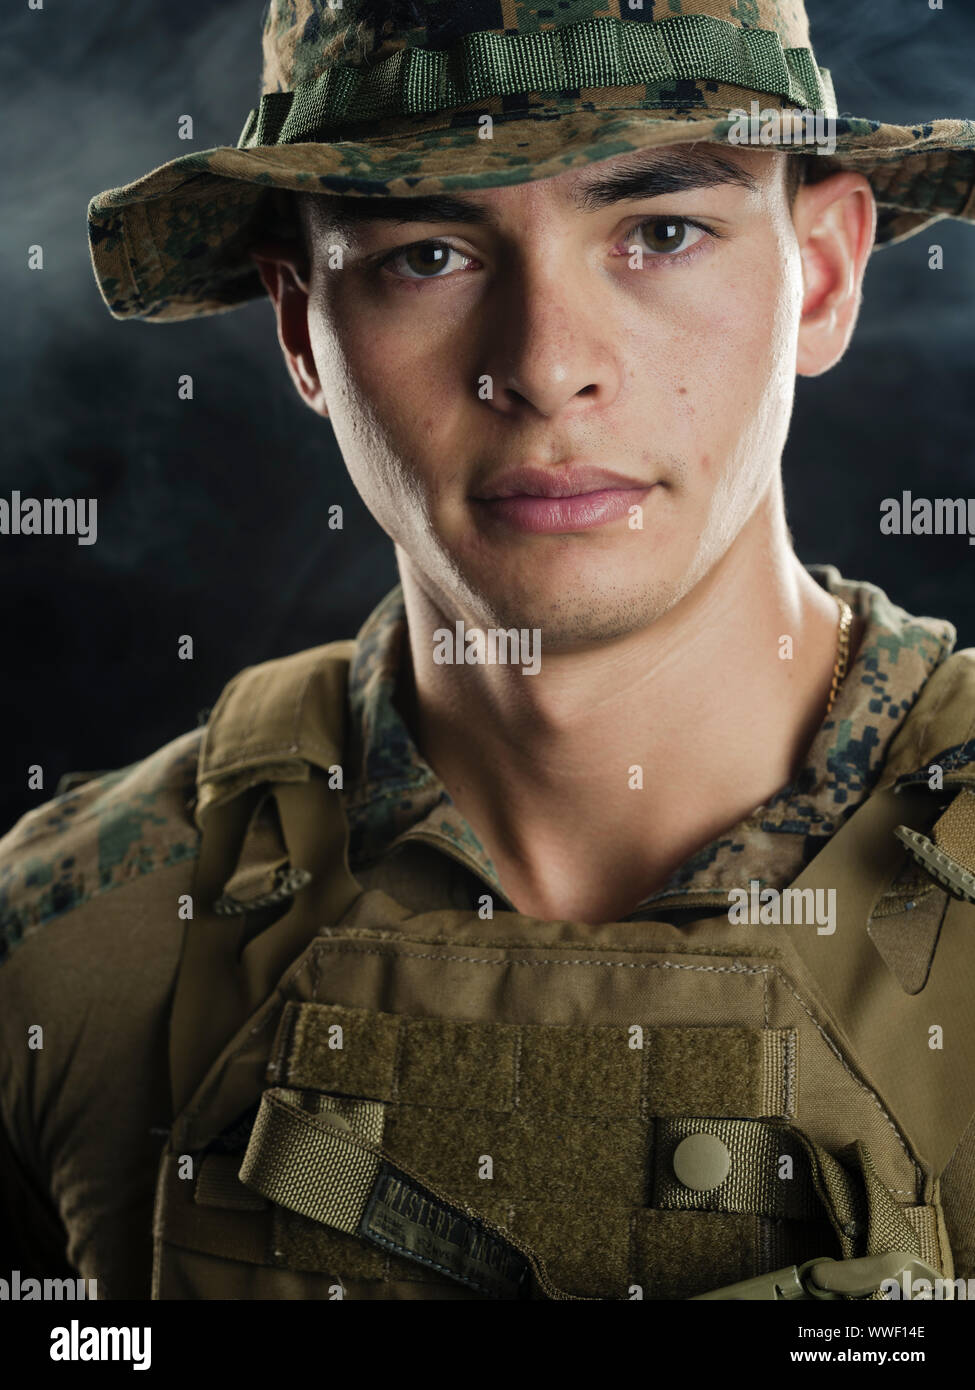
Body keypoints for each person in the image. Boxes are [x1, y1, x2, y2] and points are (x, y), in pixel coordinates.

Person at [2, 0, 974, 1301]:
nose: (545, 365)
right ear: (301, 328)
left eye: (660, 231)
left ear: (824, 272)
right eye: (426, 254)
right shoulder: (75, 948)